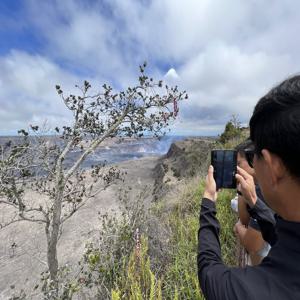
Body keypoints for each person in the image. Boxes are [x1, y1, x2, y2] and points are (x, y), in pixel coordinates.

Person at [197, 75, 300, 299]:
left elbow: (209, 270)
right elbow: (278, 236)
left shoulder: (255, 290)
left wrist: (208, 201)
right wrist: (253, 201)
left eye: (256, 157)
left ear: (273, 167)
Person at [233, 140, 274, 265]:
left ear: (253, 160)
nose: (235, 169)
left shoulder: (263, 191)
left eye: (239, 164)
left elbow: (253, 245)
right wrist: (241, 191)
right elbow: (245, 219)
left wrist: (238, 228)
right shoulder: (256, 186)